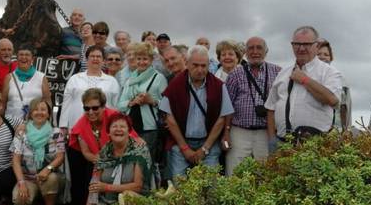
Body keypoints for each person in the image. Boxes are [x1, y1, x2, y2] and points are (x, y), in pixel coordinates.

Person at [160, 45, 235, 178]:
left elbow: (222, 118)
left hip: (209, 143)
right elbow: (169, 119)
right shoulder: (175, 84)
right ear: (187, 63)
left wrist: (205, 148)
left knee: (211, 184)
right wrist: (184, 148)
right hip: (180, 142)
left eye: (204, 66)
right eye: (195, 65)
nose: (200, 70)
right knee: (179, 185)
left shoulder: (218, 86)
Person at [265, 26, 341, 149]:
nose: (301, 48)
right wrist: (272, 138)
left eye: (306, 44)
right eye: (297, 44)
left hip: (315, 145)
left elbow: (332, 100)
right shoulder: (283, 73)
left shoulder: (329, 72)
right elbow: (270, 108)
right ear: (292, 45)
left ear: (316, 46)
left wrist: (304, 80)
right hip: (281, 144)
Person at [67, 88, 138, 205]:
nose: (90, 112)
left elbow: (135, 140)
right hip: (100, 162)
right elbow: (86, 152)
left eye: (95, 108)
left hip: (124, 161)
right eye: (86, 108)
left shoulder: (115, 118)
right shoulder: (81, 124)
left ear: (103, 106)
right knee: (93, 185)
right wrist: (101, 160)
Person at [223, 37, 282, 176]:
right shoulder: (235, 74)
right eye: (251, 48)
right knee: (233, 173)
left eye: (259, 48)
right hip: (239, 132)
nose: (255, 51)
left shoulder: (278, 72)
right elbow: (228, 107)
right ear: (245, 52)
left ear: (266, 51)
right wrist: (226, 133)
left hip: (265, 132)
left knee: (265, 174)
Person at [11, 97, 65, 205]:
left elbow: (60, 157)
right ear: (30, 113)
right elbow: (15, 161)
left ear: (48, 114)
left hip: (49, 177)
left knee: (51, 179)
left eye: (43, 110)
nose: (39, 112)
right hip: (28, 178)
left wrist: (48, 168)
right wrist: (21, 183)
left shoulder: (57, 133)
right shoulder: (22, 132)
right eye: (35, 109)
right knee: (18, 199)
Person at [87, 114, 152, 205]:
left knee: (127, 195)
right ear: (108, 132)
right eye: (114, 126)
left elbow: (138, 186)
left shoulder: (140, 151)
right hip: (106, 202)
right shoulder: (103, 153)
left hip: (134, 201)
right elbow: (94, 187)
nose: (118, 129)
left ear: (129, 131)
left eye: (122, 126)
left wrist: (107, 187)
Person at [118, 43, 168, 163]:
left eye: (145, 59)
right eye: (139, 58)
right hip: (130, 128)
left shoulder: (159, 78)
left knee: (145, 163)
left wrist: (152, 101)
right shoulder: (130, 80)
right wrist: (131, 102)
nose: (141, 62)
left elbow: (167, 106)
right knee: (131, 163)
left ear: (151, 60)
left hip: (150, 129)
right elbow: (120, 105)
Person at [60, 46, 121, 132]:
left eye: (98, 56)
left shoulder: (112, 81)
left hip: (104, 126)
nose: (95, 59)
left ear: (103, 60)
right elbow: (67, 102)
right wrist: (63, 125)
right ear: (86, 59)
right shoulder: (75, 78)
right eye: (92, 56)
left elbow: (115, 106)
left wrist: (115, 126)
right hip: (76, 123)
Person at [2, 45, 51, 119]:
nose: (23, 57)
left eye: (27, 55)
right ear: (17, 58)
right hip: (11, 122)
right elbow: (3, 103)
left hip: (34, 123)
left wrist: (49, 120)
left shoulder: (41, 77)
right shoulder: (9, 77)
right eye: (21, 55)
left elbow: (47, 101)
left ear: (32, 59)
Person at [317, 39, 352, 131]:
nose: (322, 57)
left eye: (326, 54)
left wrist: (346, 131)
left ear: (331, 58)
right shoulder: (305, 77)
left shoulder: (341, 80)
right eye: (318, 54)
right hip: (311, 131)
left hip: (335, 133)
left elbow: (345, 108)